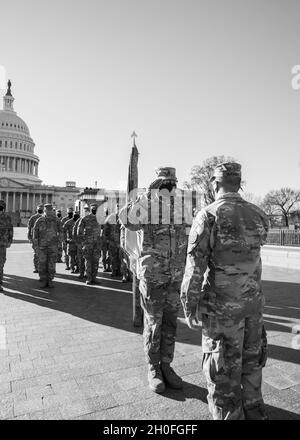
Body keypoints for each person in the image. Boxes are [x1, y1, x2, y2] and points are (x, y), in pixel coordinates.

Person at [180, 162, 269, 420]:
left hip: (221, 311)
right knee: (252, 367)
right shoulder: (258, 214)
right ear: (239, 182)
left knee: (223, 376)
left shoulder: (208, 215)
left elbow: (194, 268)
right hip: (252, 306)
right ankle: (255, 412)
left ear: (215, 183)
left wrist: (189, 306)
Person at [120, 167, 188, 394]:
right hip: (153, 275)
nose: (169, 187)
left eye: (172, 183)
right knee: (154, 322)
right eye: (164, 183)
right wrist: (146, 195)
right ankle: (153, 368)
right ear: (155, 185)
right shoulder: (145, 206)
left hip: (174, 275)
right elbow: (125, 220)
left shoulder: (180, 208)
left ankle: (167, 364)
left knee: (170, 322)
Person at [33, 203, 63, 288]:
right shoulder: (39, 220)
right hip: (42, 246)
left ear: (51, 211)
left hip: (53, 246)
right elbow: (35, 233)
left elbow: (61, 231)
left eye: (50, 210)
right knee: (42, 263)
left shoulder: (56, 220)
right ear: (44, 211)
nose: (48, 212)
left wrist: (59, 242)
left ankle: (50, 280)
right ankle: (43, 280)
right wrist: (36, 245)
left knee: (51, 264)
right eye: (46, 210)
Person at [77, 203, 102, 285]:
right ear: (91, 209)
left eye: (96, 209)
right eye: (93, 209)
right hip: (88, 244)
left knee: (96, 261)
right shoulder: (85, 219)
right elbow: (79, 231)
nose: (94, 210)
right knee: (88, 261)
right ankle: (89, 278)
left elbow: (104, 230)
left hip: (97, 244)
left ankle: (94, 278)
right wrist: (82, 242)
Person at [0, 200, 13, 292]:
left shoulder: (7, 217)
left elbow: (10, 229)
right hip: (3, 243)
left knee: (2, 262)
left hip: (2, 243)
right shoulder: (7, 216)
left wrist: (10, 241)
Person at [73, 204, 89, 279]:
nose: (86, 212)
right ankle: (81, 273)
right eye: (85, 210)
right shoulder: (79, 221)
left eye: (87, 210)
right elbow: (74, 232)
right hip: (81, 244)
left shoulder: (92, 220)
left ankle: (87, 273)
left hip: (89, 244)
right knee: (81, 259)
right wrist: (77, 242)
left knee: (88, 260)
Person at [27, 204, 44, 273]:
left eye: (41, 208)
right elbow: (29, 228)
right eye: (39, 208)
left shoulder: (45, 217)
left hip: (44, 239)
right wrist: (29, 237)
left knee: (44, 254)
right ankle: (36, 267)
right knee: (36, 253)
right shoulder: (33, 218)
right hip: (35, 238)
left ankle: (42, 268)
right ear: (36, 209)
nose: (40, 210)